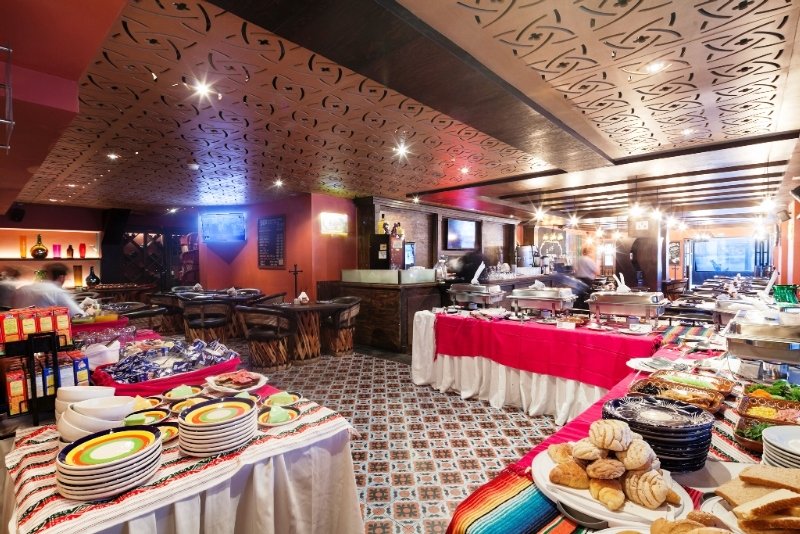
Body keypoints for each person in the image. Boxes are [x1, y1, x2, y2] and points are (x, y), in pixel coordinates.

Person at [13, 263, 84, 316]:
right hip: (46, 329)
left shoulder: (22, 289)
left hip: (19, 328)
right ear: (61, 277)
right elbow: (77, 314)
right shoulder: (57, 292)